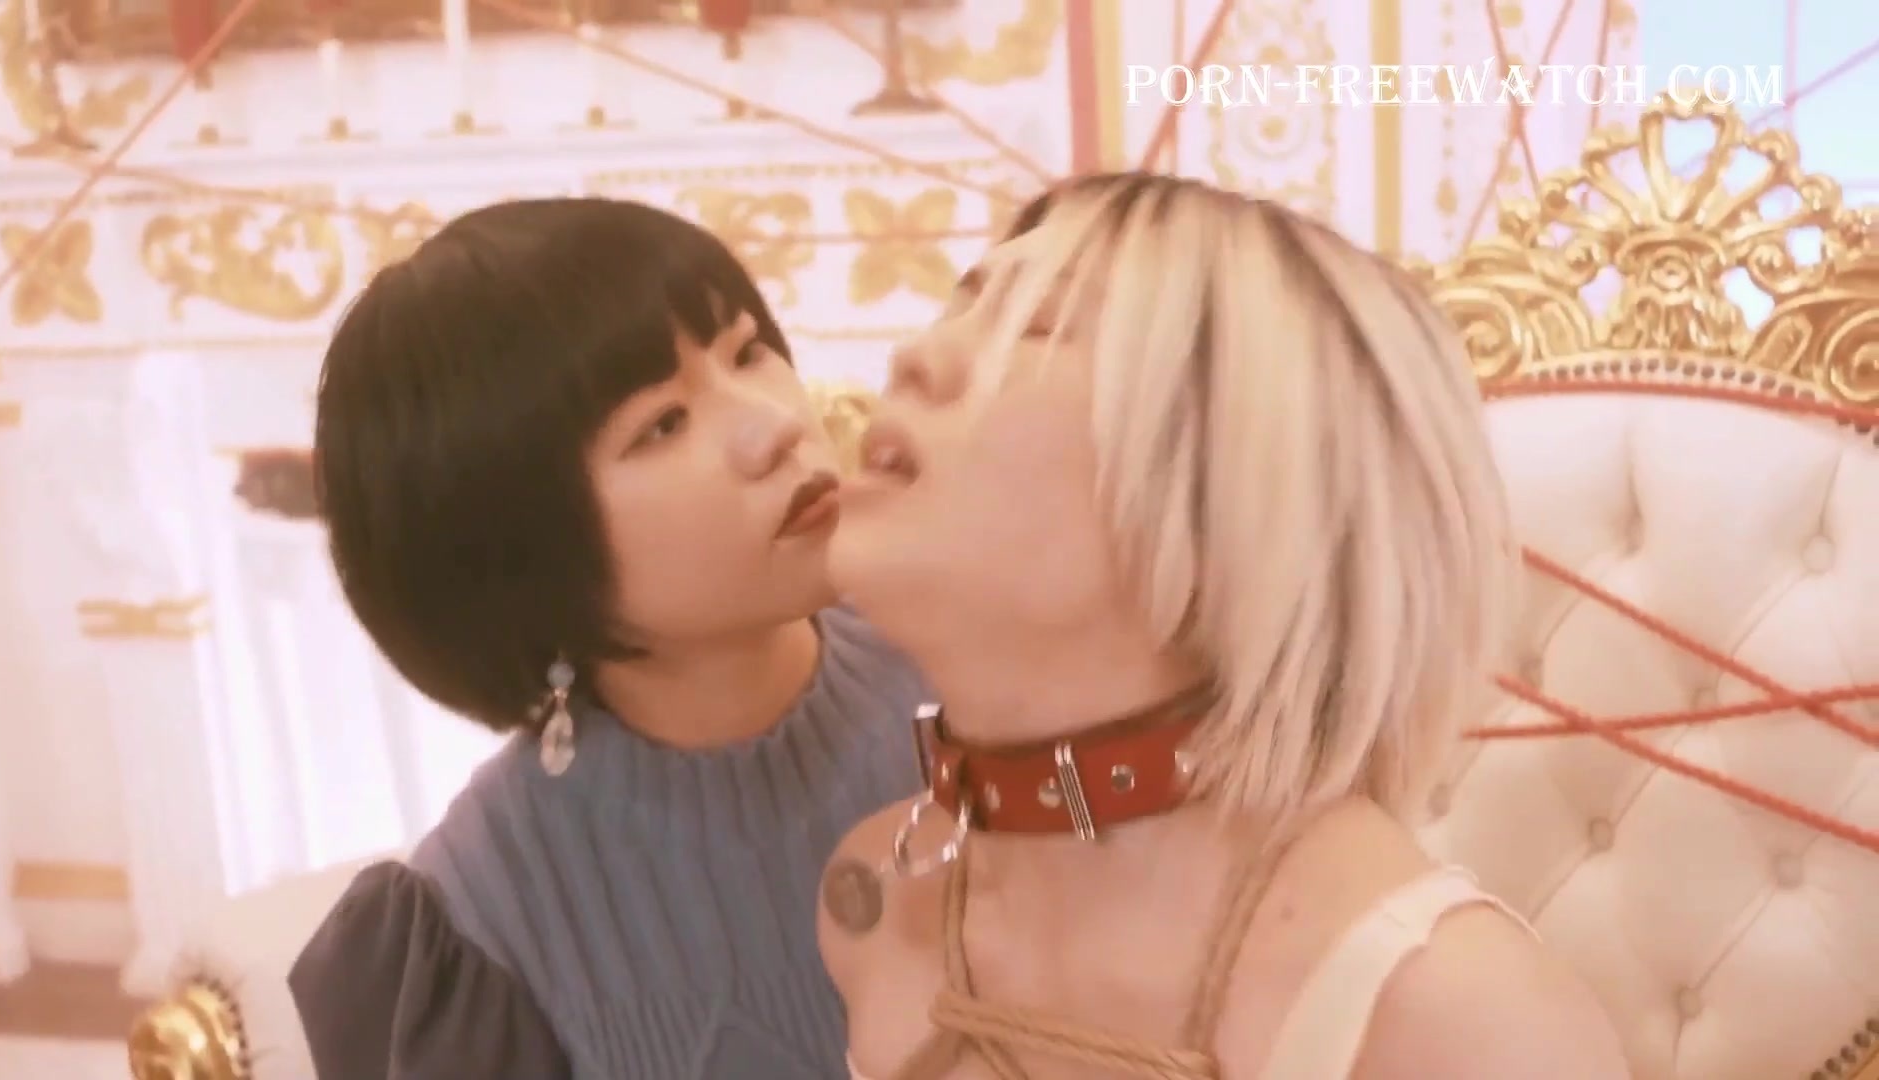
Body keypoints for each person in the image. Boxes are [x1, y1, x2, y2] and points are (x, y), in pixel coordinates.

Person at [817, 174, 1631, 1080]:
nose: (916, 356)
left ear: (1242, 500)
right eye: (960, 308)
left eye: (1037, 325)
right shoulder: (877, 901)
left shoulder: (1457, 1018)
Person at [290, 197, 929, 1080]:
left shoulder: (980, 656)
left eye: (748, 351)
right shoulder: (479, 928)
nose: (775, 426)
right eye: (662, 425)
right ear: (518, 557)